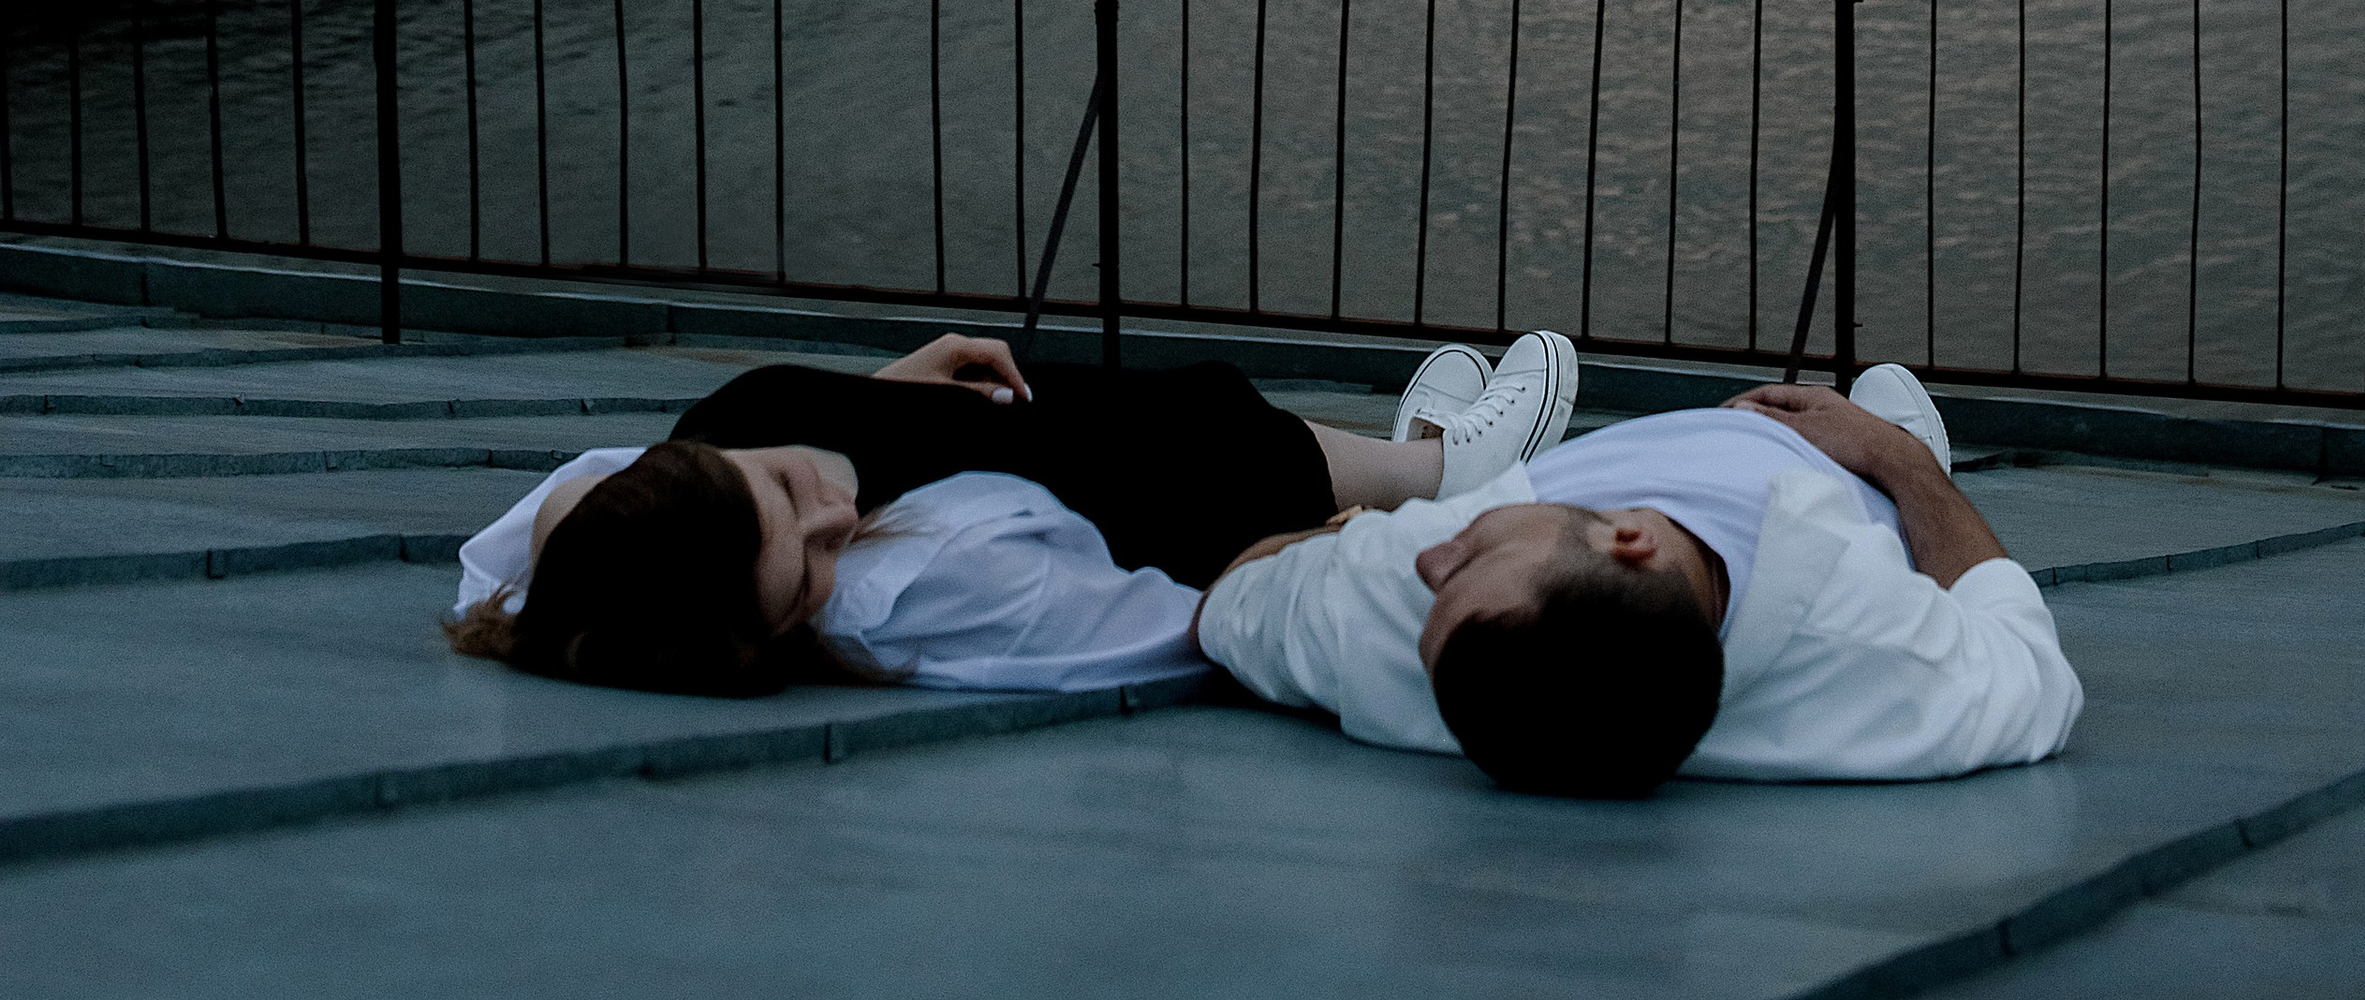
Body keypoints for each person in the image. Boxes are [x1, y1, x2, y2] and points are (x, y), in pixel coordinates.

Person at [449, 325, 1580, 701]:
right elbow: (1166, 630)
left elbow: (543, 546)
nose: (838, 516)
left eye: (788, 489)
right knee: (1197, 436)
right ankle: (1440, 469)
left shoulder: (624, 523)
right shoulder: (920, 589)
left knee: (1119, 403)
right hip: (1168, 492)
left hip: (1002, 424)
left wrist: (885, 389)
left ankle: (1408, 450)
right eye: (806, 577)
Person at [1196, 360, 2083, 801]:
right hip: (1837, 474)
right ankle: (1915, 462)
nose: (1430, 560)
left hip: (1587, 473)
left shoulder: (1425, 640)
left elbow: (1233, 594)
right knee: (1907, 475)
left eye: (1453, 566)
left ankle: (1440, 460)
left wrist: (1354, 533)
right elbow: (2023, 651)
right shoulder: (1870, 640)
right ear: (1628, 541)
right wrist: (1895, 462)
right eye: (1464, 558)